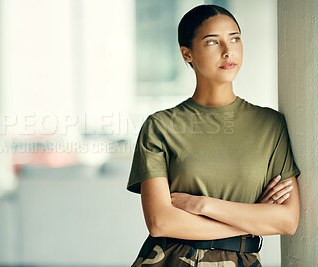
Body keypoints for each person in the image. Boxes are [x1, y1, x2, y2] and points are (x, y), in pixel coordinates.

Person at [126, 4, 301, 267]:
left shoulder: (270, 124)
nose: (228, 51)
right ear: (187, 53)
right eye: (212, 42)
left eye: (235, 38)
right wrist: (251, 221)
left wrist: (202, 205)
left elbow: (287, 221)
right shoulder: (160, 126)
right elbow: (160, 223)